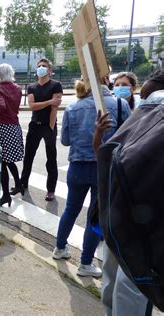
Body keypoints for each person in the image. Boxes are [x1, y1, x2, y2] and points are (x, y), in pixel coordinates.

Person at [94, 70, 164, 316]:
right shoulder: (142, 115)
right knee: (113, 283)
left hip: (142, 229)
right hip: (122, 221)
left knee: (130, 289)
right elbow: (108, 158)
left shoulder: (153, 113)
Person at [53, 79, 131, 278]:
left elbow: (65, 140)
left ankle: (60, 248)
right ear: (106, 80)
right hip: (103, 166)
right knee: (94, 216)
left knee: (70, 209)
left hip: (77, 165)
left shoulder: (73, 107)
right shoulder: (120, 105)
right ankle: (85, 263)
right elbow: (128, 137)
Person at [20, 58, 63, 201]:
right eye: (39, 66)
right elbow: (32, 106)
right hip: (35, 124)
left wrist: (51, 127)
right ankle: (23, 184)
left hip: (49, 126)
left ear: (50, 71)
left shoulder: (56, 85)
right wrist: (50, 101)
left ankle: (51, 190)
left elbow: (54, 108)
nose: (41, 68)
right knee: (28, 156)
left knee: (51, 159)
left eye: (44, 66)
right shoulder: (32, 87)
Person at [0, 63, 24, 207]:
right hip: (14, 126)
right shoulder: (18, 88)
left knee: (2, 161)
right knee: (8, 160)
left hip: (3, 127)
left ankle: (6, 194)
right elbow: (9, 106)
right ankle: (18, 185)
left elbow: (1, 106)